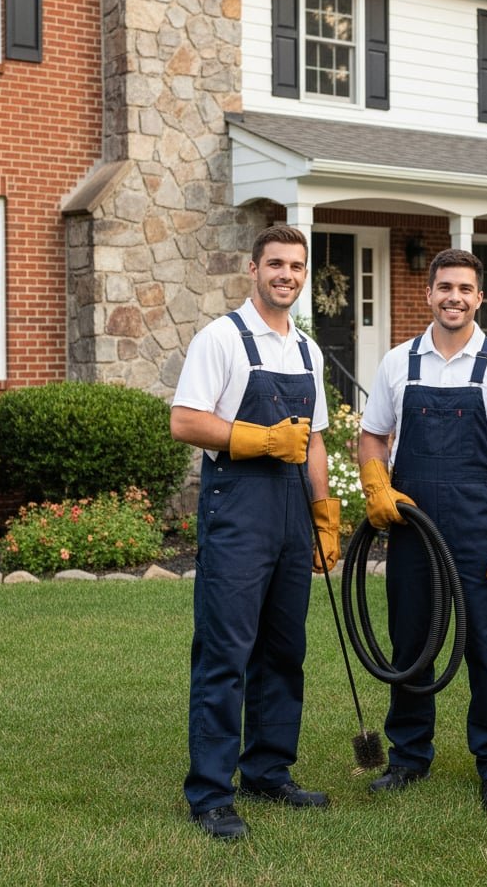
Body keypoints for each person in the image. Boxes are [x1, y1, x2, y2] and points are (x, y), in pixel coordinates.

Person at [357, 248, 487, 814]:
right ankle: (409, 757)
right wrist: (376, 486)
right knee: (410, 643)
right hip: (412, 525)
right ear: (429, 294)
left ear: (479, 297)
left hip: (479, 524)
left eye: (464, 288)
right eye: (444, 287)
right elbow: (373, 436)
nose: (454, 298)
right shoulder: (399, 362)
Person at [170, 225, 339, 840]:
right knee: (226, 655)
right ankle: (211, 793)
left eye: (295, 266)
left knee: (284, 650)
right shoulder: (221, 339)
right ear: (253, 269)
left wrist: (324, 516)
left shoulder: (308, 351)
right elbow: (185, 421)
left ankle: (268, 770)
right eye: (275, 264)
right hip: (238, 513)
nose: (286, 275)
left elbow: (314, 439)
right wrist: (261, 439)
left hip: (293, 516)